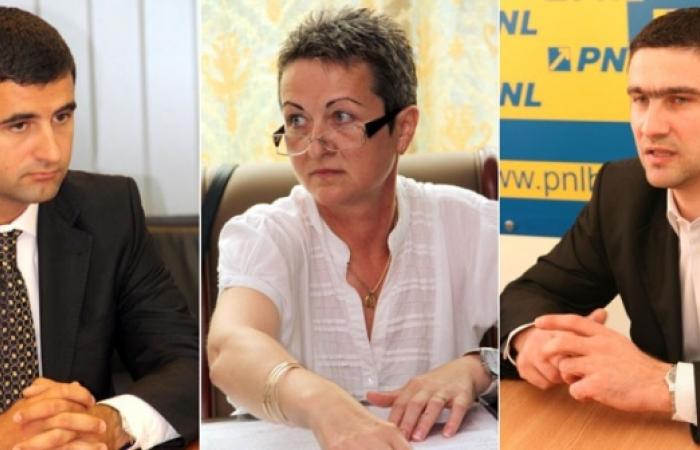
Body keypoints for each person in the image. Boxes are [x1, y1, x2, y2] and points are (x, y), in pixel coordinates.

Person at [207, 7, 498, 450]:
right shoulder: (265, 233)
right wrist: (323, 406)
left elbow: (546, 329)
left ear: (403, 129)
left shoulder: (470, 225)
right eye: (297, 120)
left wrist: (479, 367)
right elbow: (230, 345)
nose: (315, 145)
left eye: (341, 117)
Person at [0, 7, 198, 450]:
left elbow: (187, 363)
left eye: (62, 117)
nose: (52, 152)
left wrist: (109, 423)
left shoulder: (108, 212)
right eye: (20, 125)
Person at [500, 7, 700, 443]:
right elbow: (528, 295)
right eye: (640, 99)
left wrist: (665, 386)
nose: (650, 126)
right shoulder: (623, 192)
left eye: (680, 99)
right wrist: (533, 340)